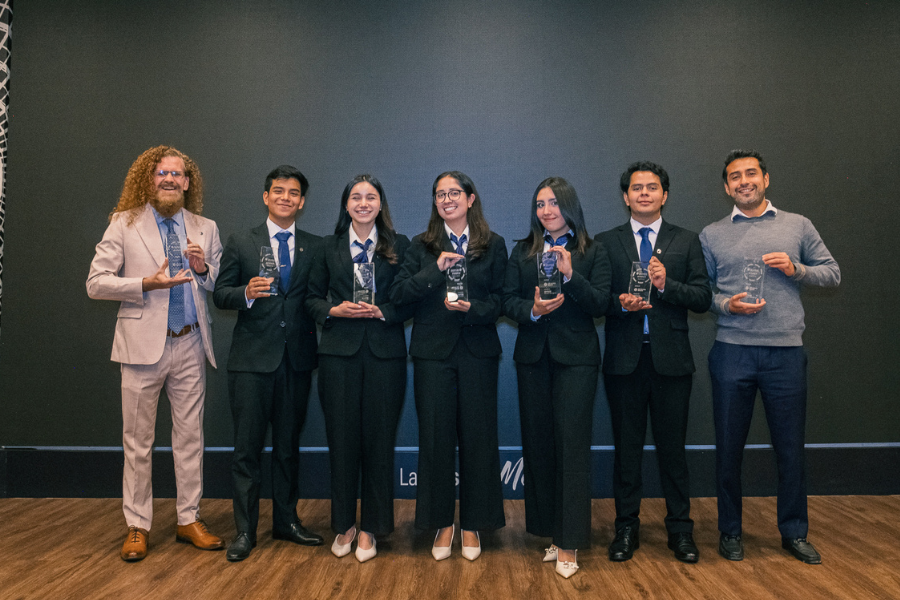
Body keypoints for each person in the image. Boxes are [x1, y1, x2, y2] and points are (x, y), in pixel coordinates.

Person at [700, 149, 840, 564]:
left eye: (751, 174)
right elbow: (701, 293)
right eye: (734, 177)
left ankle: (794, 532)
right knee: (728, 448)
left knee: (790, 448)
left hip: (785, 354)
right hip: (732, 353)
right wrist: (729, 305)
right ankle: (729, 532)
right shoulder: (712, 234)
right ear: (726, 187)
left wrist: (797, 269)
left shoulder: (798, 225)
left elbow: (832, 273)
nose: (744, 181)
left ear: (765, 179)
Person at [87, 145, 224, 561]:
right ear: (149, 179)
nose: (169, 179)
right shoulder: (123, 223)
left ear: (188, 182)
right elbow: (96, 282)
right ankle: (137, 525)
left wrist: (203, 270)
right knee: (138, 441)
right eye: (161, 173)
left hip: (190, 344)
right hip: (142, 347)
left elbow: (217, 283)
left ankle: (188, 518)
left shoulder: (206, 227)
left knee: (190, 438)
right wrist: (145, 284)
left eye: (177, 174)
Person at [596, 162, 712, 564]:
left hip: (671, 362)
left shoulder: (686, 240)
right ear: (625, 196)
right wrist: (620, 302)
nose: (644, 193)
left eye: (652, 187)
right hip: (624, 361)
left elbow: (701, 297)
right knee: (626, 450)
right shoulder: (606, 242)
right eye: (636, 187)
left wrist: (667, 285)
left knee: (672, 451)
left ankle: (680, 531)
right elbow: (597, 299)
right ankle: (626, 528)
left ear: (665, 194)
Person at [390, 171, 507, 561]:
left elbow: (503, 302)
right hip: (432, 354)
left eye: (454, 192)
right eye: (440, 194)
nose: (447, 199)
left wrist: (474, 309)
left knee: (478, 438)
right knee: (436, 439)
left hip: (477, 351)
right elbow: (400, 294)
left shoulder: (493, 245)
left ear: (470, 199)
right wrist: (434, 269)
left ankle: (473, 523)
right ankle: (442, 523)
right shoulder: (421, 246)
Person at [213, 165, 324, 562]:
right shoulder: (242, 241)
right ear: (266, 196)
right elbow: (220, 294)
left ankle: (286, 521)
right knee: (246, 450)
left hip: (296, 362)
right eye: (279, 191)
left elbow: (316, 298)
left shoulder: (315, 245)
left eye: (294, 193)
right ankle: (244, 531)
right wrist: (244, 291)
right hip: (250, 362)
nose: (286, 198)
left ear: (302, 202)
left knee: (288, 448)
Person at [502, 177, 610, 578]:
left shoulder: (592, 251)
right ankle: (550, 532)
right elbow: (506, 300)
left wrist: (570, 275)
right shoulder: (523, 251)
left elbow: (601, 304)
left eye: (553, 203)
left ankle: (570, 541)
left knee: (571, 447)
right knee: (541, 445)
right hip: (533, 358)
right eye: (540, 204)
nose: (546, 211)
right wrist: (531, 311)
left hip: (577, 360)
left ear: (569, 207)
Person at [305, 175, 413, 562]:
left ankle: (372, 528)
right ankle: (344, 525)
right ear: (346, 205)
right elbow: (310, 299)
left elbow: (411, 299)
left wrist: (385, 310)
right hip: (338, 356)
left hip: (385, 356)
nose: (363, 203)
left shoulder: (401, 247)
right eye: (356, 197)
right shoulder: (326, 248)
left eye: (371, 197)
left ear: (381, 205)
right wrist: (332, 310)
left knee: (379, 443)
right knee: (343, 442)